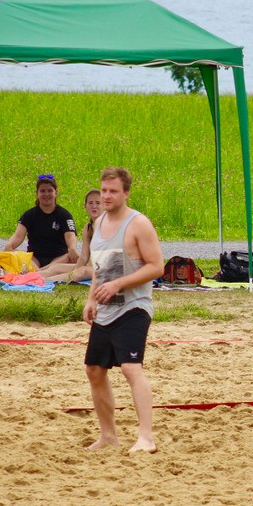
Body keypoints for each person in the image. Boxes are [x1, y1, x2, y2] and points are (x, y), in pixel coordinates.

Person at [83, 167, 165, 454]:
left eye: (113, 191)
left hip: (134, 306)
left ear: (126, 193)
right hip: (107, 307)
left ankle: (146, 438)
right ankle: (108, 436)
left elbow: (157, 267)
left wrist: (118, 284)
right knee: (94, 369)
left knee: (131, 368)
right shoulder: (98, 222)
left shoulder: (139, 224)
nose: (106, 196)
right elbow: (99, 266)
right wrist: (91, 298)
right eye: (103, 190)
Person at [4, 174, 79, 270]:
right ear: (37, 193)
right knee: (10, 251)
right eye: (42, 191)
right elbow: (18, 237)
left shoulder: (64, 215)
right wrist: (9, 246)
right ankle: (45, 272)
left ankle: (39, 272)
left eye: (50, 191)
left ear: (56, 192)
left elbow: (70, 235)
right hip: (34, 259)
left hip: (58, 259)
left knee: (72, 257)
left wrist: (72, 249)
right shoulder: (29, 215)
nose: (46, 194)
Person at [39, 189, 102, 283]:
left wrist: (77, 271)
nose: (94, 206)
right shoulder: (88, 227)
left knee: (82, 271)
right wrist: (76, 269)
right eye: (90, 203)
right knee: (57, 267)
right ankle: (30, 276)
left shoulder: (107, 224)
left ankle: (44, 281)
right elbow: (84, 256)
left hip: (108, 269)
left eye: (98, 203)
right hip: (93, 266)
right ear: (85, 206)